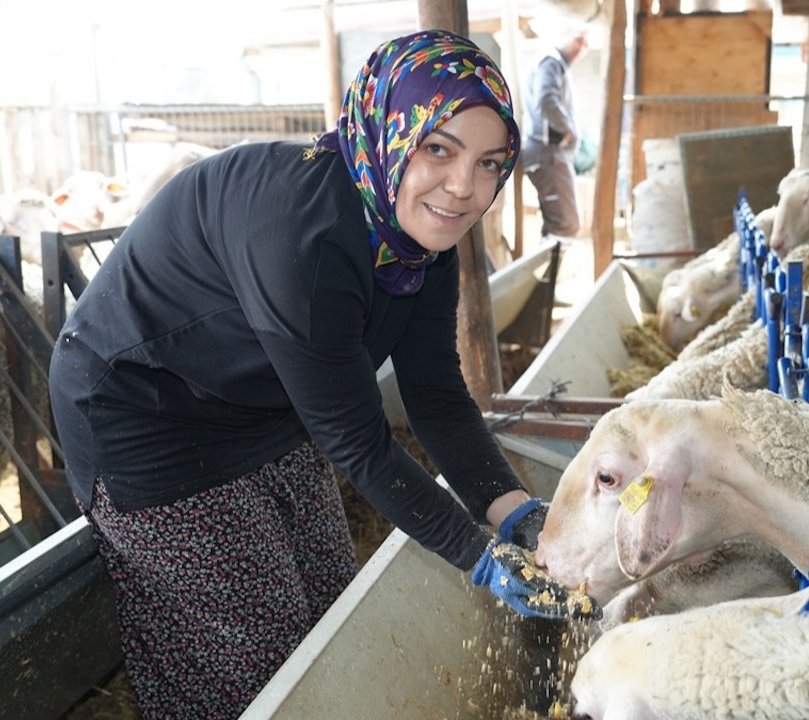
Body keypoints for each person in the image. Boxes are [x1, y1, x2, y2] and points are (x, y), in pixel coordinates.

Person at [47, 29, 593, 720]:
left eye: (489, 163)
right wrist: (479, 558)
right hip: (144, 413)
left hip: (267, 403)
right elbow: (359, 444)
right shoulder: (303, 234)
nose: (464, 188)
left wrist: (516, 515)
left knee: (332, 609)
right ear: (391, 133)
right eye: (438, 149)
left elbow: (436, 398)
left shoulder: (420, 237)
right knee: (258, 654)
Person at [519, 24, 589, 238]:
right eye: (578, 40)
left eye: (586, 44)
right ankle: (549, 261)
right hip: (547, 152)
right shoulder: (551, 62)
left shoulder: (557, 65)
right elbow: (546, 100)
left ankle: (550, 259)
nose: (582, 47)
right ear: (564, 35)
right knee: (565, 224)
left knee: (560, 223)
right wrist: (567, 129)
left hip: (549, 153)